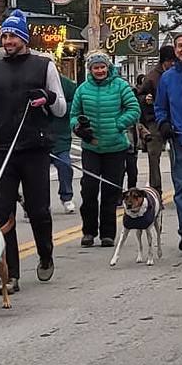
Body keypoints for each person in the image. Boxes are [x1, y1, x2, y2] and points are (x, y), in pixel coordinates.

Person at [0, 10, 65, 291]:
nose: (8, 40)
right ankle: (10, 273)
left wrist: (47, 97)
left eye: (13, 35)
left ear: (24, 38)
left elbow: (61, 107)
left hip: (35, 147)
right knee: (2, 213)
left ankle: (45, 254)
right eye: (4, 36)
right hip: (3, 149)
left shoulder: (44, 66)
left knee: (38, 210)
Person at [71, 50, 140, 247]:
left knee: (111, 191)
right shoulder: (82, 90)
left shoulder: (120, 86)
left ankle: (108, 234)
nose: (99, 70)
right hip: (91, 147)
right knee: (89, 190)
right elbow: (74, 114)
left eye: (102, 67)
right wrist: (78, 127)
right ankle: (88, 232)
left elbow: (134, 109)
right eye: (95, 67)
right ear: (90, 69)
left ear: (108, 67)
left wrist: (118, 124)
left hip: (115, 147)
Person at [155, 32, 182, 255]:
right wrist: (163, 122)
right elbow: (160, 106)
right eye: (180, 46)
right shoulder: (167, 78)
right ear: (174, 50)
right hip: (179, 139)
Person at [137, 45, 175, 197]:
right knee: (154, 156)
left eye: (174, 60)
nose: (172, 63)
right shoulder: (152, 77)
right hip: (154, 120)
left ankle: (179, 186)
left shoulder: (177, 73)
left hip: (175, 118)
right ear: (164, 61)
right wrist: (145, 99)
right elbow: (139, 95)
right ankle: (156, 190)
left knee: (177, 157)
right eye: (170, 61)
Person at [50, 74, 77, 214]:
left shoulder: (65, 83)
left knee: (65, 165)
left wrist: (60, 107)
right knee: (36, 173)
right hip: (38, 135)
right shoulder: (32, 80)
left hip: (61, 136)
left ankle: (66, 197)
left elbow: (76, 102)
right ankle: (37, 202)